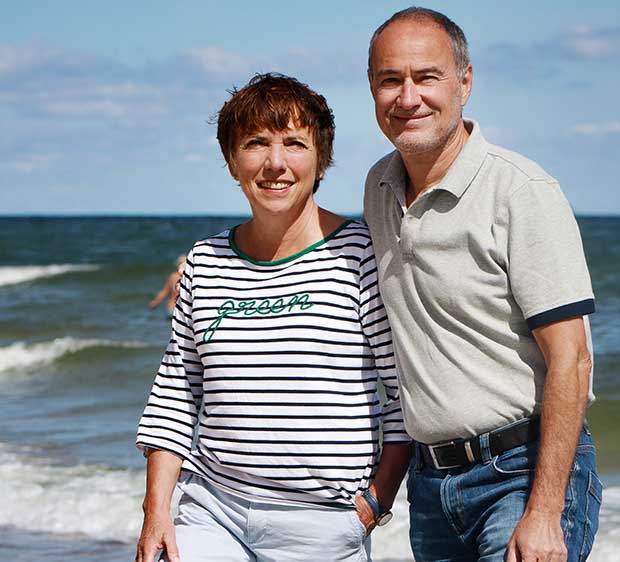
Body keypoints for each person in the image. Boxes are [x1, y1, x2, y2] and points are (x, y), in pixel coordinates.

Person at [135, 73, 412, 562]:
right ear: (231, 161)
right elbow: (177, 394)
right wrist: (156, 513)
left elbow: (404, 395)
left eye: (294, 143)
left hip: (322, 525)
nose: (275, 163)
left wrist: (375, 503)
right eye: (256, 144)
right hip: (212, 510)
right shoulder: (205, 260)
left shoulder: (362, 252)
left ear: (321, 158)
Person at [362, 8, 602, 562]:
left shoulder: (521, 190)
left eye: (427, 77)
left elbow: (572, 359)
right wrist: (226, 258)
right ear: (372, 89)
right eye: (390, 80)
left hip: (522, 476)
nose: (408, 96)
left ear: (464, 82)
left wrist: (543, 512)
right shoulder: (378, 185)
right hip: (431, 485)